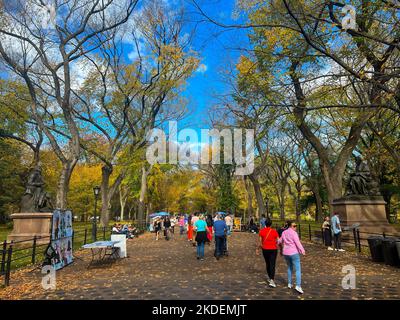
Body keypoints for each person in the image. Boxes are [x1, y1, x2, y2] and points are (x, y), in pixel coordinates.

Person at [278, 221, 306, 294]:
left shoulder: (284, 232)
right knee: (298, 269)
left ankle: (289, 283)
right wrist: (302, 250)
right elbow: (297, 242)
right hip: (293, 252)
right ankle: (298, 286)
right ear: (290, 226)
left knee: (289, 267)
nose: (295, 227)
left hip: (286, 253)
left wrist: (276, 242)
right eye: (294, 226)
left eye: (296, 226)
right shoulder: (294, 233)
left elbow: (279, 241)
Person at [257, 218, 280, 288]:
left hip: (265, 249)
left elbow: (260, 242)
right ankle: (272, 279)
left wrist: (257, 249)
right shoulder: (274, 231)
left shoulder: (261, 231)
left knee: (267, 263)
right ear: (271, 224)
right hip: (273, 249)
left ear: (265, 224)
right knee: (272, 264)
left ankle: (270, 278)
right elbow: (278, 241)